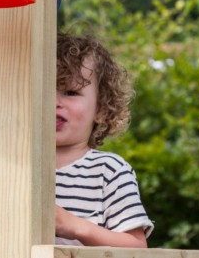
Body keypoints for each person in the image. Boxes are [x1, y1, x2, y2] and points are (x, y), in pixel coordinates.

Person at [55, 31, 153, 247]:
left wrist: (75, 227)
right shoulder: (16, 168)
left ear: (101, 108)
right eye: (44, 91)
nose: (55, 102)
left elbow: (136, 247)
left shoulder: (108, 171)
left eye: (70, 92)